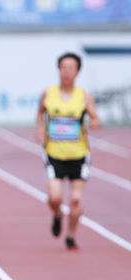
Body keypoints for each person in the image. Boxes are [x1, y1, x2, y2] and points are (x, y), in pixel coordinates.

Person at [35, 52, 101, 250]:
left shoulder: (84, 96)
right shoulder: (49, 93)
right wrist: (40, 129)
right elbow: (40, 113)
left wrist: (95, 122)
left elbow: (95, 117)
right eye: (63, 67)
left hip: (79, 155)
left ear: (77, 71)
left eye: (71, 68)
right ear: (59, 70)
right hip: (54, 153)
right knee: (55, 198)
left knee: (75, 199)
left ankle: (71, 235)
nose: (67, 72)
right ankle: (57, 214)